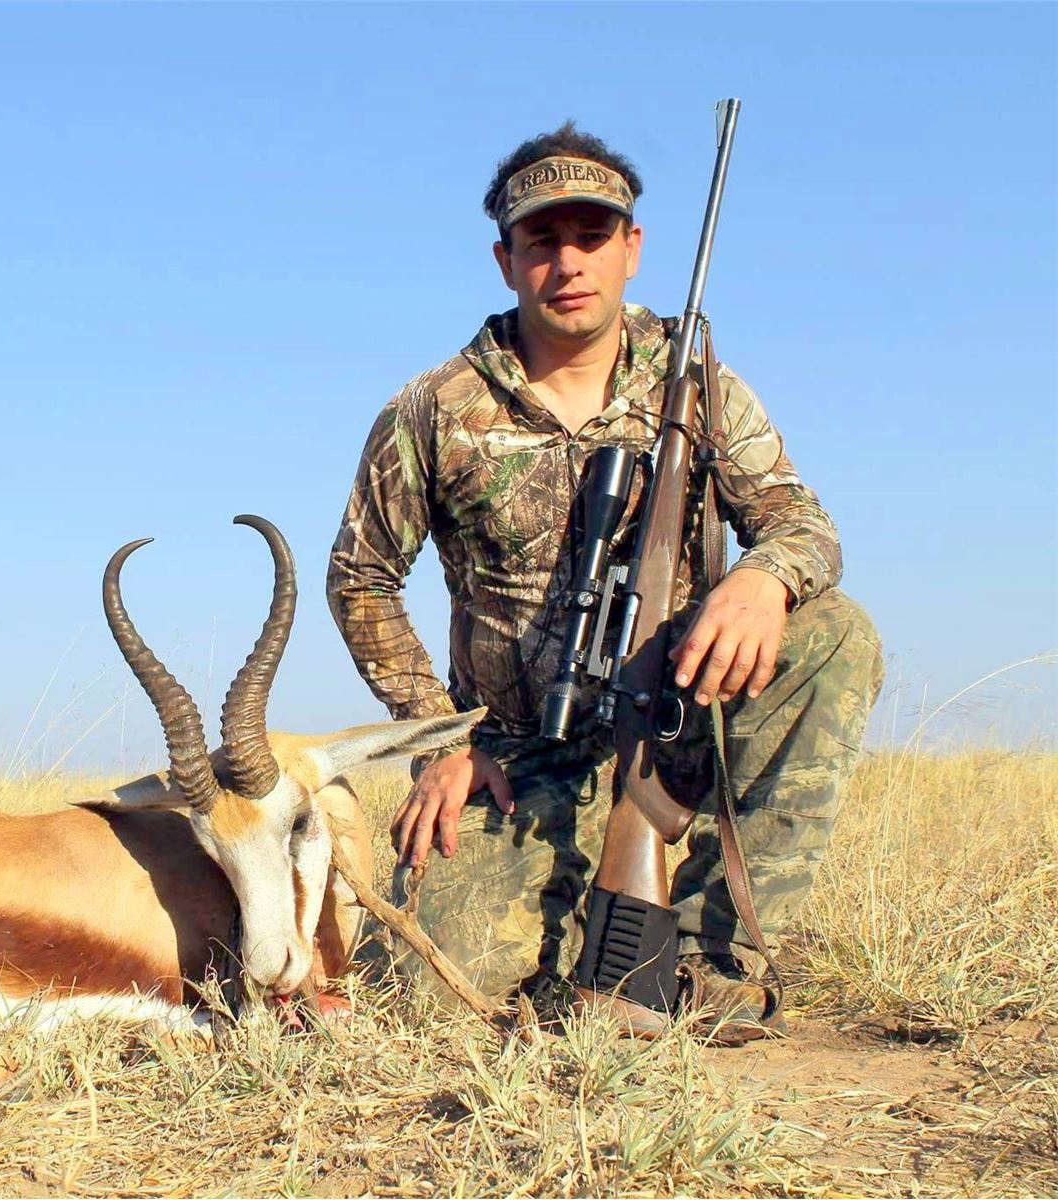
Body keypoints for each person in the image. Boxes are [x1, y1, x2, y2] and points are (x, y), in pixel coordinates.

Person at [327, 122, 884, 1038]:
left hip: (674, 724)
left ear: (632, 248)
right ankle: (582, 910)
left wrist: (764, 579)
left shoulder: (698, 384)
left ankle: (715, 960)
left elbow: (800, 523)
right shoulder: (431, 407)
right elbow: (361, 580)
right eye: (542, 241)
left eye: (593, 236)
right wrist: (441, 741)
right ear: (506, 261)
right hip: (516, 758)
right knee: (420, 997)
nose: (569, 262)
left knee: (835, 633)